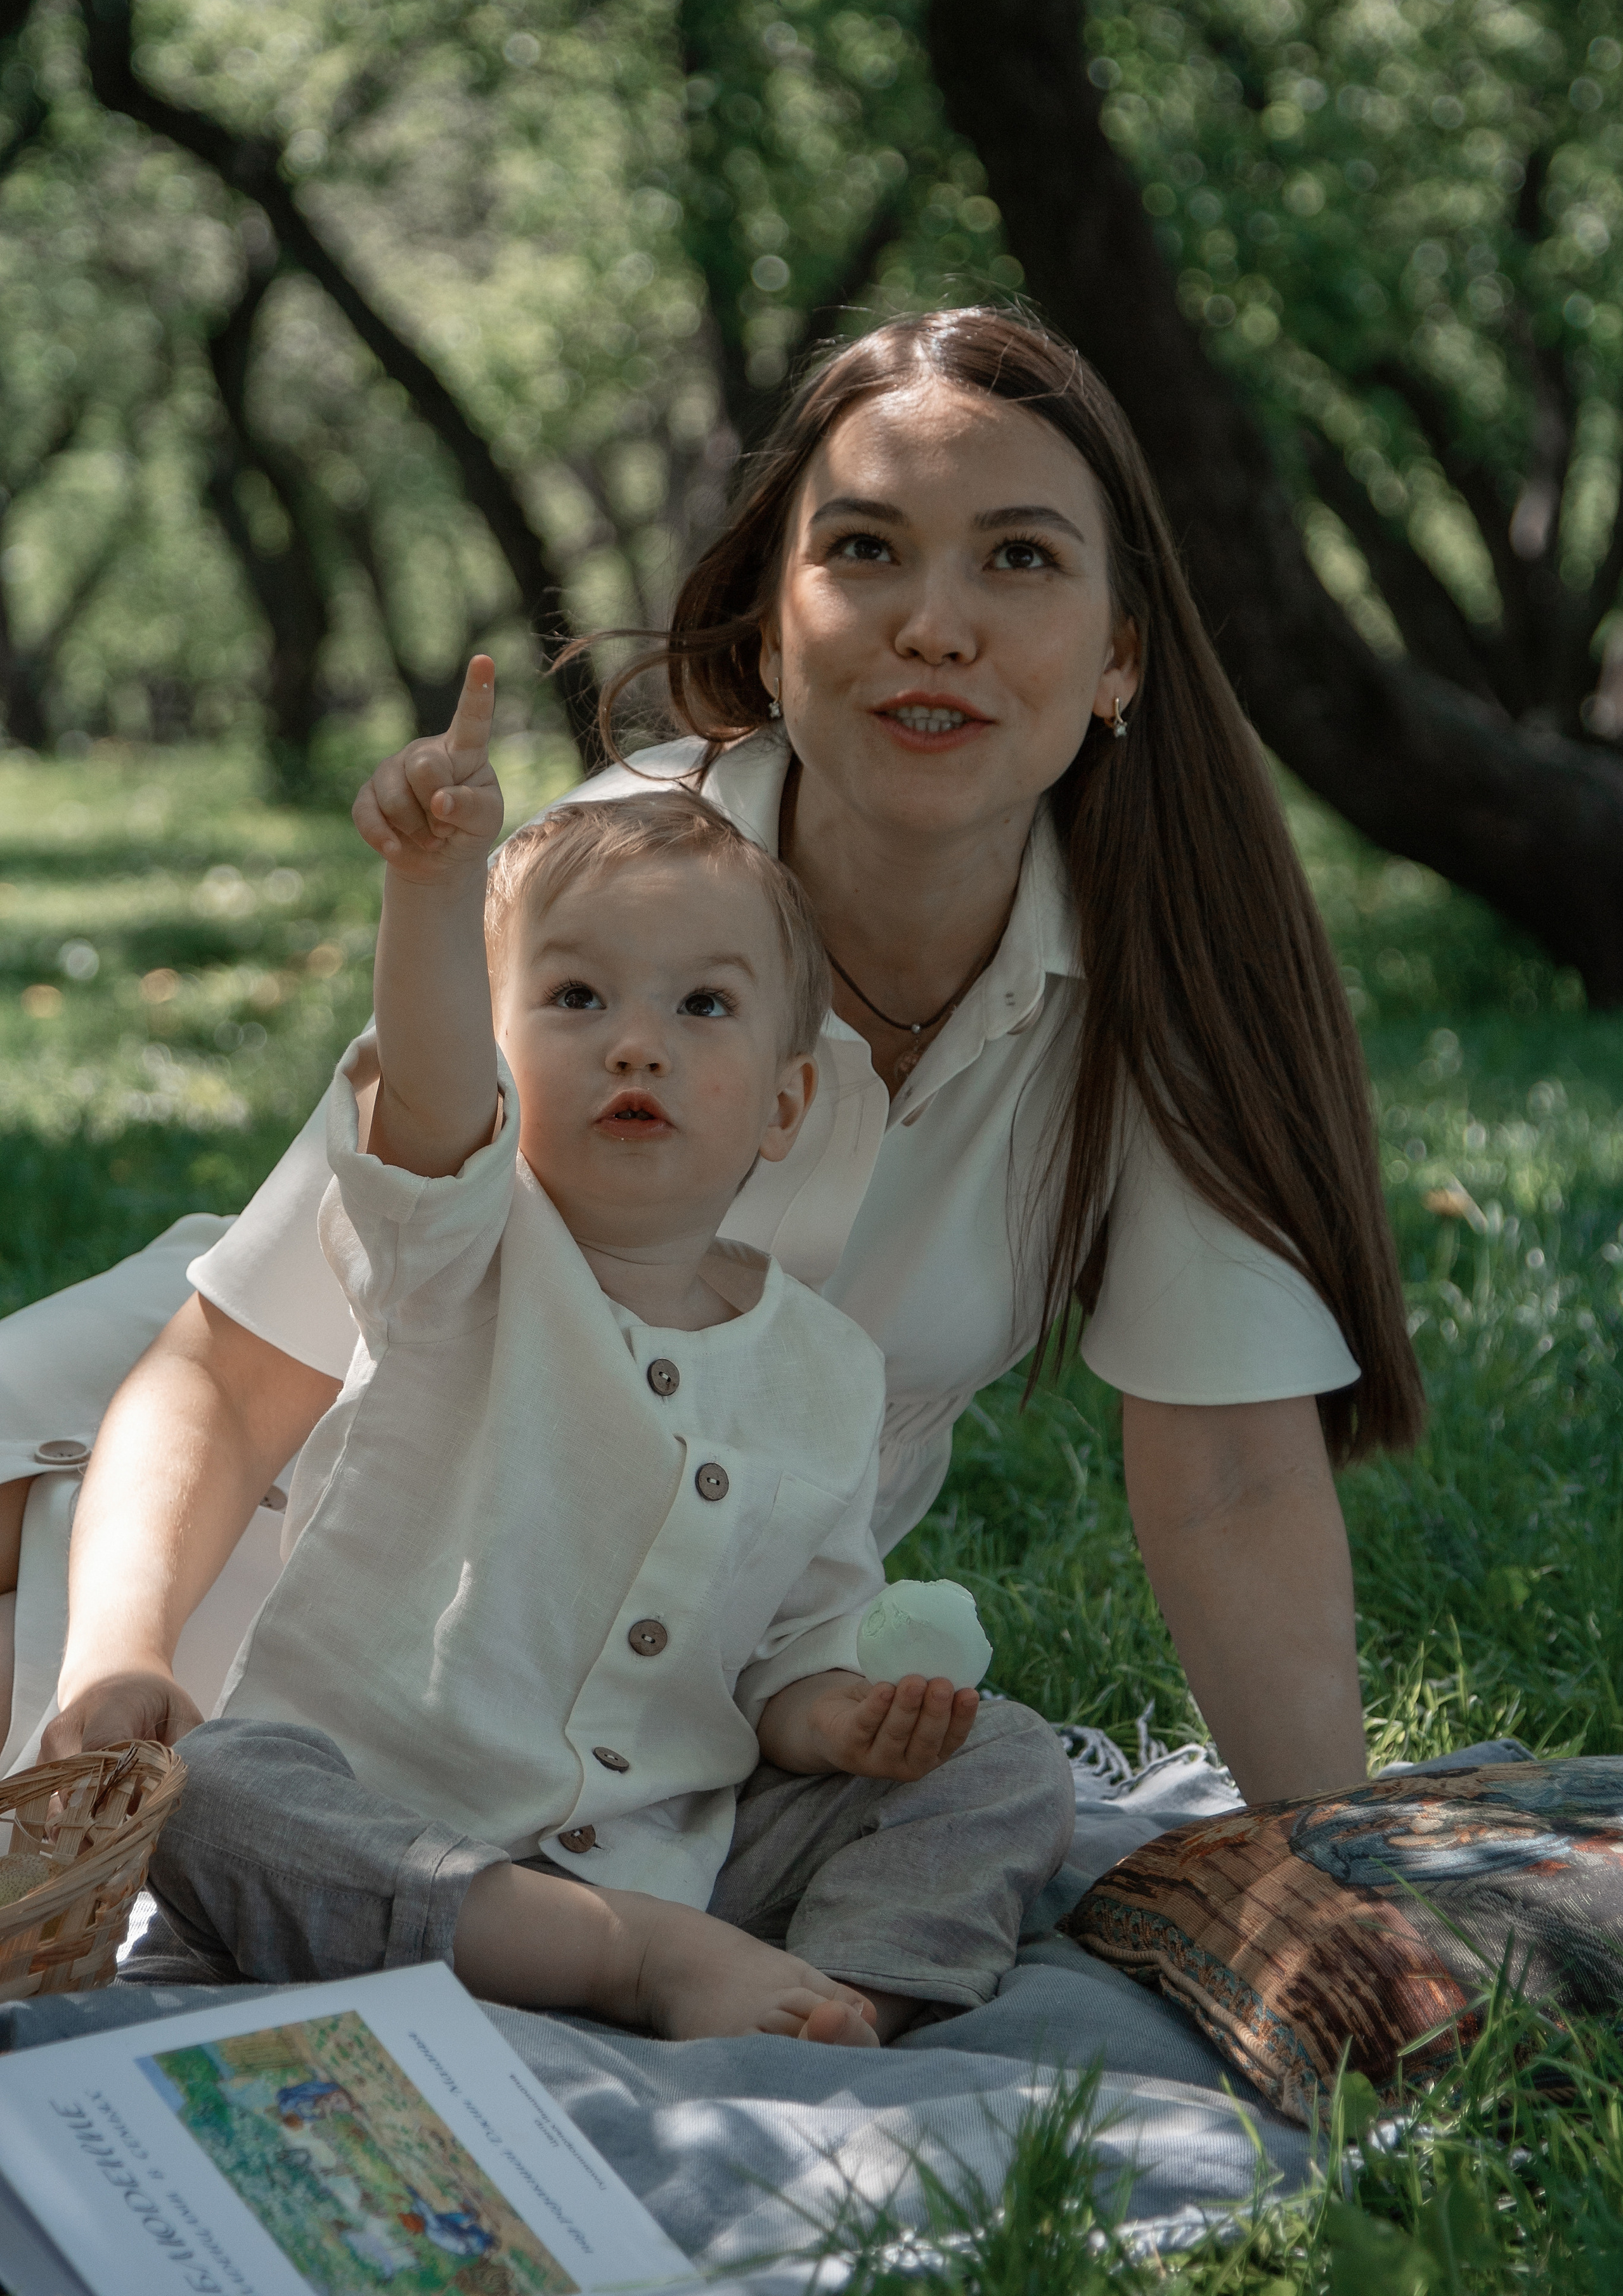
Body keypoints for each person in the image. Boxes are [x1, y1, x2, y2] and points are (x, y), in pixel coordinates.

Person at [3, 307, 1423, 1824]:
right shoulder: (600, 882)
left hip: (672, 1648)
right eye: (863, 550)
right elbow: (238, 1364)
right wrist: (115, 1646)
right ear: (766, 628)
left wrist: (1321, 1863)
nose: (932, 625)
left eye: (1017, 558)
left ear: (1116, 656)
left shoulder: (1164, 982)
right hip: (290, 1490)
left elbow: (1232, 1483)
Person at [135, 693, 1071, 2041]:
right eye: (574, 998)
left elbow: (789, 1657)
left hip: (671, 1848)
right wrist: (433, 886)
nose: (637, 1042)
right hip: (388, 1826)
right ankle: (627, 1966)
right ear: (501, 1063)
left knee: (1001, 1762)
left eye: (702, 1005)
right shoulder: (457, 1247)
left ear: (784, 1103)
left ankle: (844, 2001)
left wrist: (843, 1722)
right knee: (214, 1793)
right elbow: (428, 1082)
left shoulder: (823, 1370)